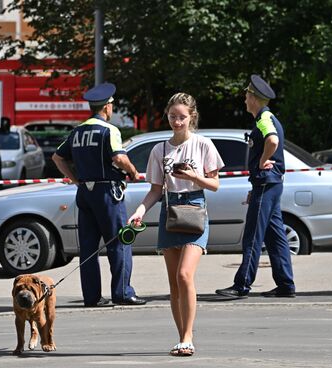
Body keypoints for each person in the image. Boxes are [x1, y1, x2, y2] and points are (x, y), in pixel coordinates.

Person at [128, 93, 224, 356]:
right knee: (173, 283)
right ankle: (181, 336)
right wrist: (139, 211)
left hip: (195, 208)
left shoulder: (203, 144)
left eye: (182, 117)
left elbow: (215, 184)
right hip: (170, 211)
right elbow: (155, 190)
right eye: (172, 117)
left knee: (184, 275)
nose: (177, 122)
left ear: (191, 116)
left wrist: (195, 176)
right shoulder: (159, 149)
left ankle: (188, 336)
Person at [52, 82, 146, 307]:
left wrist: (76, 181)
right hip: (106, 193)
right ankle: (122, 293)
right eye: (112, 105)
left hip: (84, 193)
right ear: (107, 107)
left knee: (88, 247)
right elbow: (119, 158)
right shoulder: (108, 130)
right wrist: (132, 172)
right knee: (119, 242)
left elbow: (57, 158)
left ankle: (92, 297)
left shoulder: (77, 131)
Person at [215, 74, 295, 299]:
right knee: (275, 236)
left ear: (254, 98)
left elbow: (272, 141)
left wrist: (261, 163)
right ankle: (286, 284)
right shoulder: (267, 117)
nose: (244, 100)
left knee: (252, 236)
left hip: (266, 184)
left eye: (247, 95)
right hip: (268, 184)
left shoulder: (264, 119)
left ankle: (242, 285)